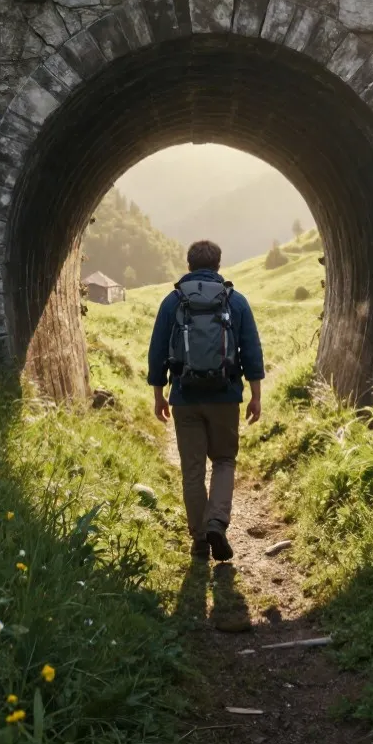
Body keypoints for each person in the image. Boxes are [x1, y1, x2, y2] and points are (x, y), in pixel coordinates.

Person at [148, 240, 265, 561]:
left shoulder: (173, 302)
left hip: (184, 397)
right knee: (224, 460)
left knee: (192, 470)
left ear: (189, 265)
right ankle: (217, 522)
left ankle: (200, 539)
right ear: (218, 265)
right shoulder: (235, 301)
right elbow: (251, 350)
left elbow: (157, 352)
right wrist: (255, 395)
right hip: (225, 396)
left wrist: (159, 395)